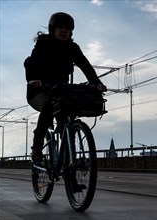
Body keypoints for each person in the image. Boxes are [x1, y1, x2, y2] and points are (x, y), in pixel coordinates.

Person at [24, 12, 107, 163]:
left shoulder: (73, 48)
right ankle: (36, 149)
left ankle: (70, 165)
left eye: (68, 28)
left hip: (61, 90)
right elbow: (30, 62)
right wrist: (33, 79)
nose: (64, 31)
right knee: (48, 106)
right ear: (52, 29)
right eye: (60, 27)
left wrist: (96, 83)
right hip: (39, 89)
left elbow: (85, 66)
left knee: (66, 121)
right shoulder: (43, 43)